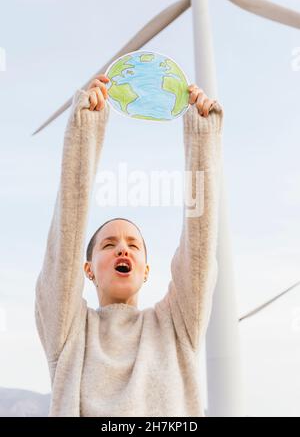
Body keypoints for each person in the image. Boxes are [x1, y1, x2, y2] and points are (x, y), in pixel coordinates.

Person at [35, 74, 224, 417]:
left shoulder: (177, 324)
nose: (123, 249)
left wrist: (202, 138)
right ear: (87, 269)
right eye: (109, 244)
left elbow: (199, 245)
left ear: (147, 270)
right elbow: (64, 242)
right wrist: (84, 130)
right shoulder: (69, 330)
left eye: (134, 245)